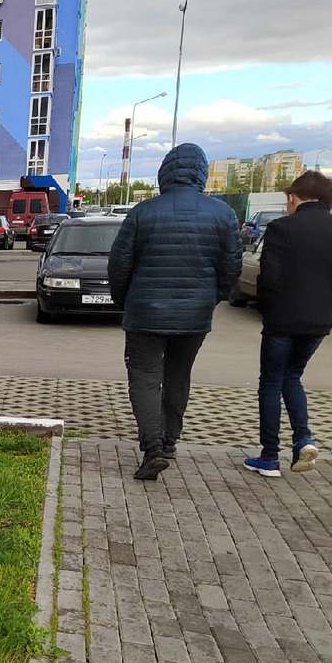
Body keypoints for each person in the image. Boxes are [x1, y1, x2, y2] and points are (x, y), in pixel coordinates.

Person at [109, 143, 242, 480]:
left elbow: (119, 264)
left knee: (144, 377)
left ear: (165, 172)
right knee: (178, 376)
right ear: (201, 172)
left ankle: (152, 447)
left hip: (145, 312)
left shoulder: (143, 212)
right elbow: (231, 268)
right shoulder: (223, 214)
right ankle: (169, 441)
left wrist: (124, 300)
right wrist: (211, 300)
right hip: (195, 314)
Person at [243, 170, 332, 477]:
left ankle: (269, 457)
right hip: (318, 322)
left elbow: (268, 277)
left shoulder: (281, 228)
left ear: (293, 197)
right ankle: (303, 440)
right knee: (293, 376)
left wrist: (270, 306)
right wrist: (328, 303)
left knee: (271, 382)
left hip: (281, 321)